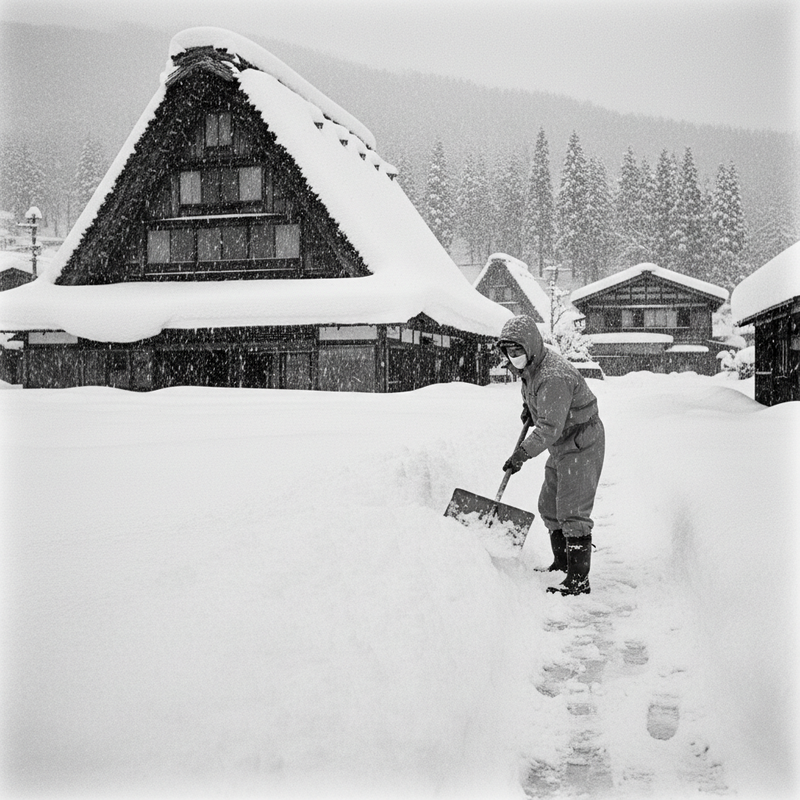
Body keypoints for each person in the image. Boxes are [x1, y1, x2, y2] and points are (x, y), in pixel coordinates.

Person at [496, 315, 605, 596]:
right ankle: (562, 563)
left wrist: (522, 454)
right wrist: (530, 409)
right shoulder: (531, 368)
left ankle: (578, 581)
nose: (513, 356)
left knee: (572, 511)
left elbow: (548, 428)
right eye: (509, 351)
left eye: (518, 349)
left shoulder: (553, 376)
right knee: (549, 505)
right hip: (561, 442)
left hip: (580, 441)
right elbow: (538, 400)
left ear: (530, 345)